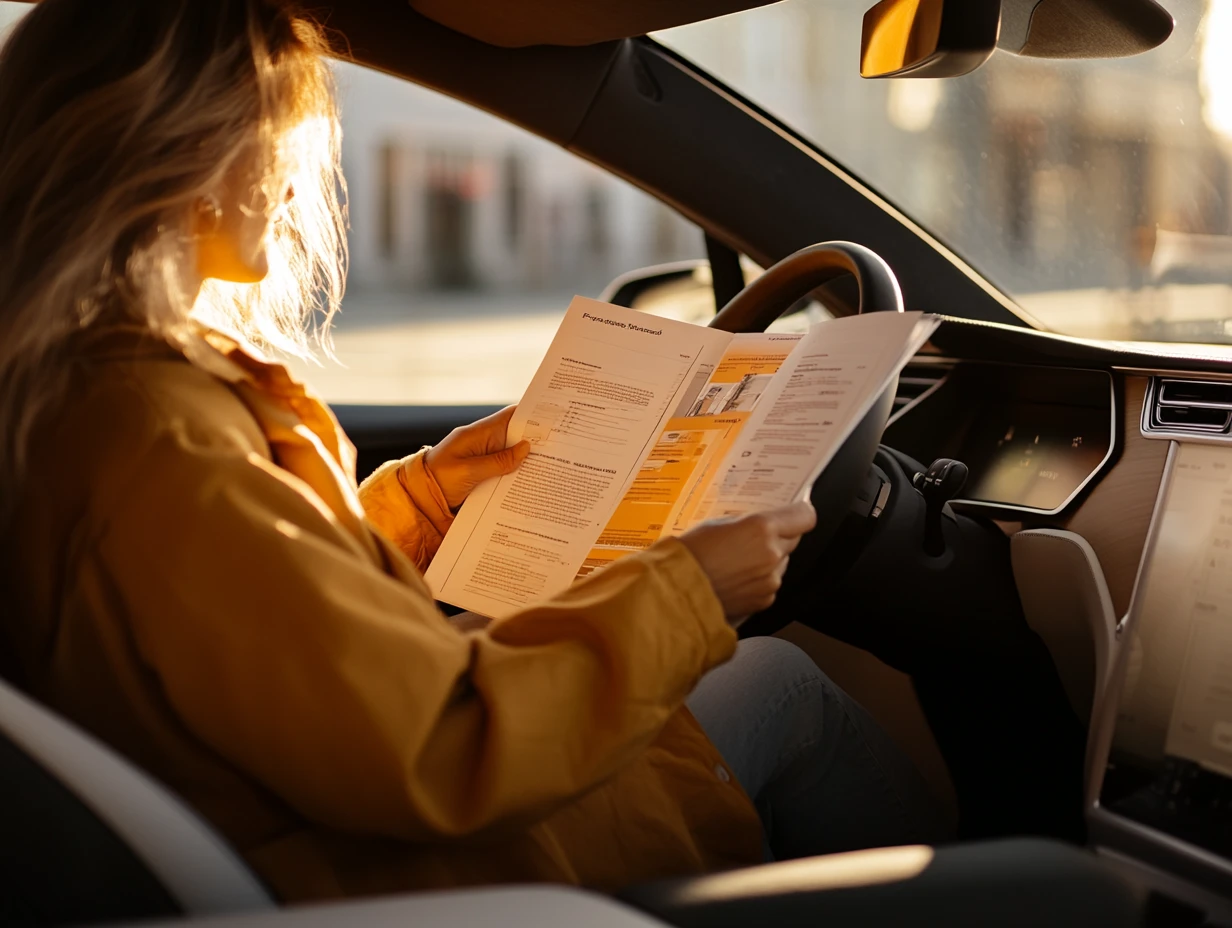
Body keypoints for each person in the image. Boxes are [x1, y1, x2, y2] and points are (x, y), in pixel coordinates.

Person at [0, 0, 943, 902]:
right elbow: (438, 742)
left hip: (334, 833)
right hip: (428, 871)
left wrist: (416, 505)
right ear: (183, 150)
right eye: (275, 133)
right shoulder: (158, 441)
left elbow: (242, 621)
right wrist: (690, 590)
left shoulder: (90, 404)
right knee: (787, 687)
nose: (290, 183)